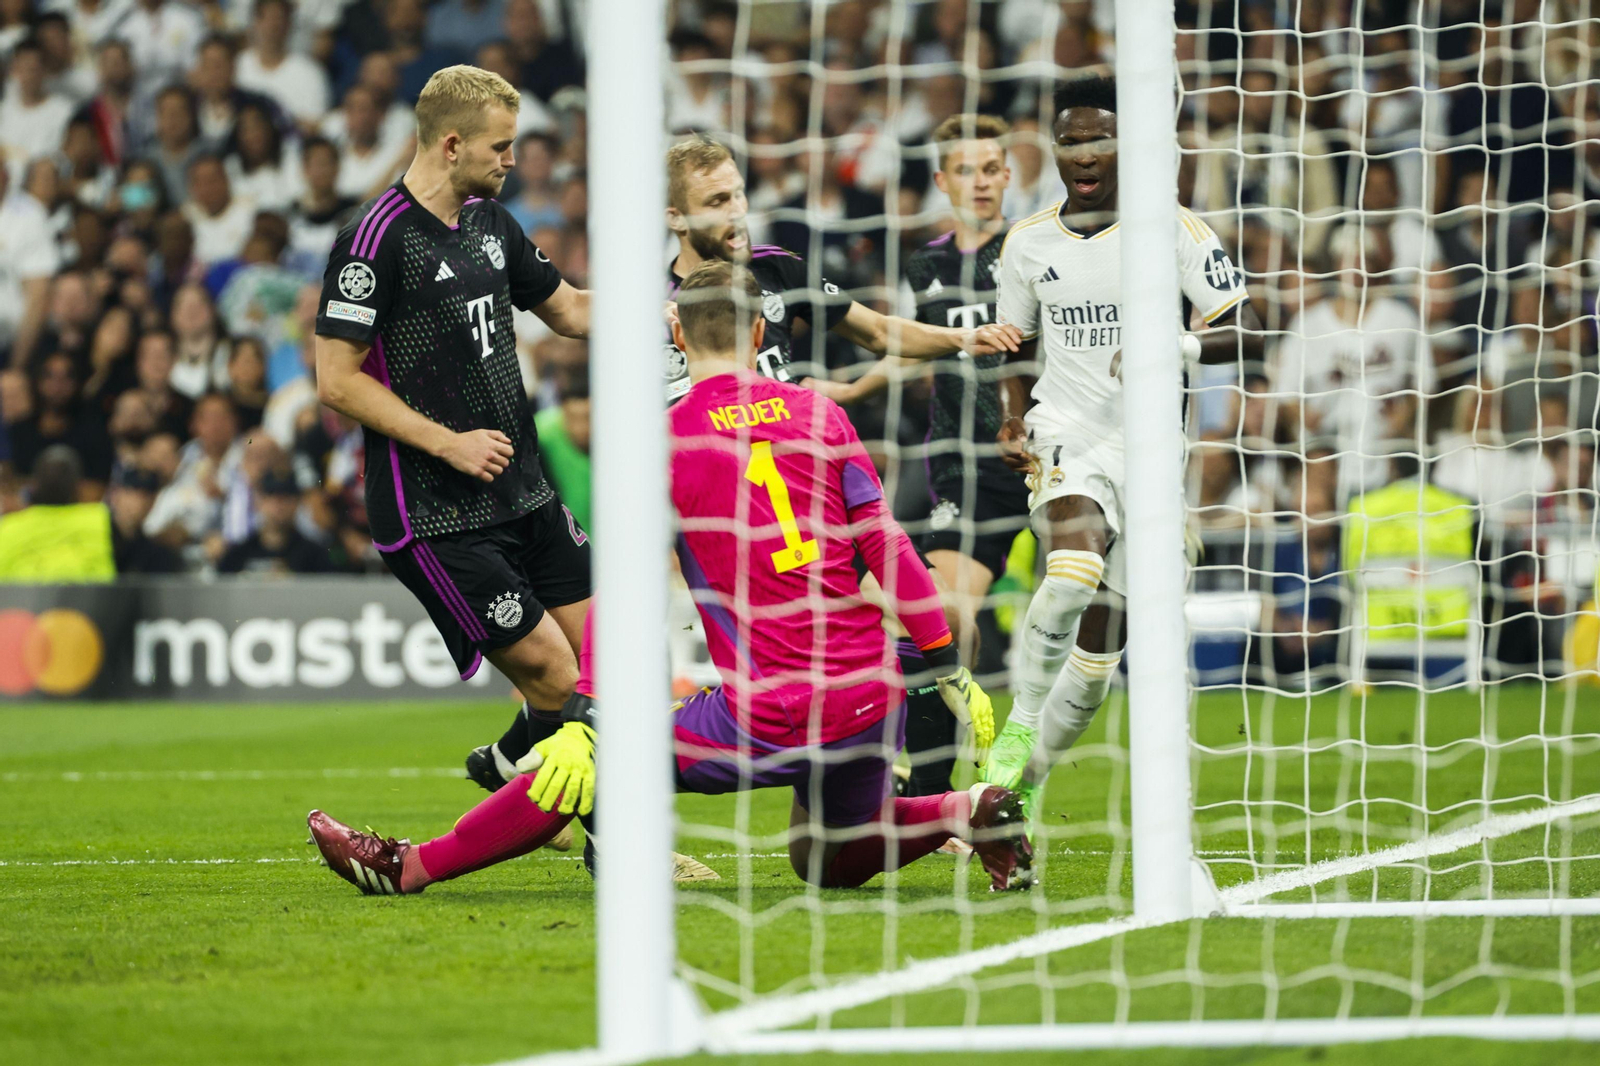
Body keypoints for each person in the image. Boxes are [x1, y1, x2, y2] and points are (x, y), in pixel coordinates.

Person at [307, 262, 1031, 895]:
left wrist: (588, 714)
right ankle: (964, 809)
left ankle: (409, 866)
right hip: (869, 693)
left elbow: (627, 591)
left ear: (677, 334)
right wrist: (943, 663)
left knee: (590, 765)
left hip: (773, 707)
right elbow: (885, 541)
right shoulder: (822, 415)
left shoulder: (666, 439)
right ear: (758, 334)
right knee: (827, 861)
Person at [459, 134, 1023, 795]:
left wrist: (962, 338)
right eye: (717, 201)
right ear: (674, 216)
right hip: (718, 534)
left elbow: (876, 330)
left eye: (739, 195)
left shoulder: (777, 272)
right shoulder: (648, 304)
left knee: (947, 623)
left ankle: (921, 797)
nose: (736, 213)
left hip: (799, 516)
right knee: (629, 668)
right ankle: (560, 783)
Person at [981, 77, 1266, 824]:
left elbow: (1251, 330)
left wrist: (1175, 344)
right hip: (1067, 432)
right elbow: (1014, 347)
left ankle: (1021, 785)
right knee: (1073, 571)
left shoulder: (1174, 230)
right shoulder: (1027, 241)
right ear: (1054, 149)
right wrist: (1011, 419)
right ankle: (1016, 730)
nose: (1084, 154)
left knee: (1100, 655)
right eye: (1070, 141)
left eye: (1100, 140)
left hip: (1153, 454)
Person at [313, 66, 594, 776]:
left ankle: (506, 764)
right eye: (500, 146)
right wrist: (449, 444)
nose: (512, 160)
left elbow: (569, 310)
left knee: (605, 667)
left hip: (524, 492)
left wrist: (673, 311)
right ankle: (606, 833)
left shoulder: (490, 222)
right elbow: (336, 380)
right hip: (435, 512)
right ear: (451, 144)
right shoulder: (373, 240)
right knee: (560, 679)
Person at [811, 114, 1030, 797]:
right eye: (965, 170)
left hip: (1048, 450)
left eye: (991, 169)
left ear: (1008, 174)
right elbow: (915, 347)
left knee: (1077, 608)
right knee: (947, 616)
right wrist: (855, 387)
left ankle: (1034, 737)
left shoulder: (1031, 248)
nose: (980, 182)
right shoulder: (926, 264)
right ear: (942, 180)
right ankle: (932, 791)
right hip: (966, 465)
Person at [0, 444, 115, 582]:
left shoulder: (8, 527)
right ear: (77, 487)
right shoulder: (103, 520)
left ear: (34, 486)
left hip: (21, 596)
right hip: (97, 596)